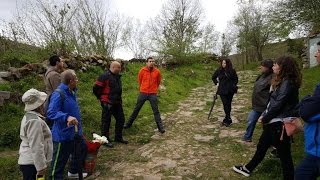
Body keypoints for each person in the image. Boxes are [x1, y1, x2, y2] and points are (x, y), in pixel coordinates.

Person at [233, 56, 302, 179]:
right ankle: (248, 168)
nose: (274, 67)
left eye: (276, 65)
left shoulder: (287, 83)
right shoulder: (283, 81)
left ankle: (289, 177)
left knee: (284, 155)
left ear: (283, 68)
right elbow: (273, 101)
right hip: (274, 123)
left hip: (279, 124)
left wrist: (264, 117)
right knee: (262, 146)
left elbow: (277, 104)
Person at [47, 69, 88, 179]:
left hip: (74, 132)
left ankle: (73, 171)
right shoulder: (59, 94)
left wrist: (79, 130)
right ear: (71, 81)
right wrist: (66, 117)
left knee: (82, 147)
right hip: (62, 135)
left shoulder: (71, 92)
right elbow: (51, 112)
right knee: (58, 164)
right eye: (76, 79)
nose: (77, 81)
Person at [295, 41, 320, 179]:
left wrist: (305, 102)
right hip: (314, 151)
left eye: (319, 51)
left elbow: (307, 112)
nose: (316, 54)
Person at [124, 57, 165, 133]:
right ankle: (128, 124)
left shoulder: (157, 71)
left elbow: (158, 81)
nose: (151, 62)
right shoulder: (142, 71)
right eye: (150, 61)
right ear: (146, 62)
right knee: (136, 109)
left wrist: (154, 89)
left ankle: (160, 128)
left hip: (153, 93)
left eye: (153, 61)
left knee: (156, 110)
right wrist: (143, 88)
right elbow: (140, 80)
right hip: (143, 93)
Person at [18, 89, 53, 180]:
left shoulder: (30, 116)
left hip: (33, 163)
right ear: (39, 105)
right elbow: (36, 145)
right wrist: (41, 168)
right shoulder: (34, 121)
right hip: (33, 164)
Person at [93, 61, 128, 148]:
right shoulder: (104, 76)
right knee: (106, 122)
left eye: (120, 67)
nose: (120, 69)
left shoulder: (117, 77)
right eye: (118, 67)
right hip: (107, 102)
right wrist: (101, 98)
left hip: (117, 102)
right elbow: (96, 88)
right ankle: (105, 140)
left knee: (121, 119)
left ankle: (118, 137)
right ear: (112, 67)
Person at [243, 59, 273, 142]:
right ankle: (247, 137)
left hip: (265, 105)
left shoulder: (272, 77)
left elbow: (272, 92)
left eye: (263, 66)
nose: (261, 67)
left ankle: (268, 141)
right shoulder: (261, 76)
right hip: (257, 105)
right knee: (251, 120)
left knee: (266, 125)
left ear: (268, 68)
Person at [212, 58, 238, 127]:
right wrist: (217, 83)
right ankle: (228, 118)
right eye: (222, 63)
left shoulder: (232, 71)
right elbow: (213, 77)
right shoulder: (219, 70)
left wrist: (233, 85)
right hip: (222, 90)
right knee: (225, 104)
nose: (223, 64)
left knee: (228, 104)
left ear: (228, 64)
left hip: (230, 90)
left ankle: (227, 118)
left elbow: (236, 79)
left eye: (225, 63)